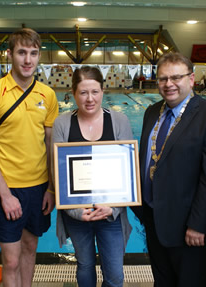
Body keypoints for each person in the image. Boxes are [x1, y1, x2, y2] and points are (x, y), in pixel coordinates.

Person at [132, 52, 206, 286]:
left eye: (176, 77)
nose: (169, 84)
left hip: (189, 228)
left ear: (191, 79)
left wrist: (198, 225)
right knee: (162, 281)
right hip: (154, 219)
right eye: (163, 79)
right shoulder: (152, 111)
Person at [0, 28, 58, 287]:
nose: (28, 60)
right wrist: (5, 194)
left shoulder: (48, 94)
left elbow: (50, 143)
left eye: (33, 53)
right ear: (9, 54)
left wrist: (51, 187)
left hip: (37, 187)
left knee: (30, 247)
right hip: (7, 186)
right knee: (10, 260)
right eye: (22, 52)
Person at [52, 66, 133, 286]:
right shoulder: (62, 123)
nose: (90, 99)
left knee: (115, 275)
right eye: (83, 92)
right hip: (77, 214)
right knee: (85, 265)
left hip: (110, 214)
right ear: (74, 93)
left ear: (103, 91)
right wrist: (77, 212)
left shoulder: (119, 121)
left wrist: (113, 208)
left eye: (95, 92)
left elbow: (128, 173)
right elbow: (57, 172)